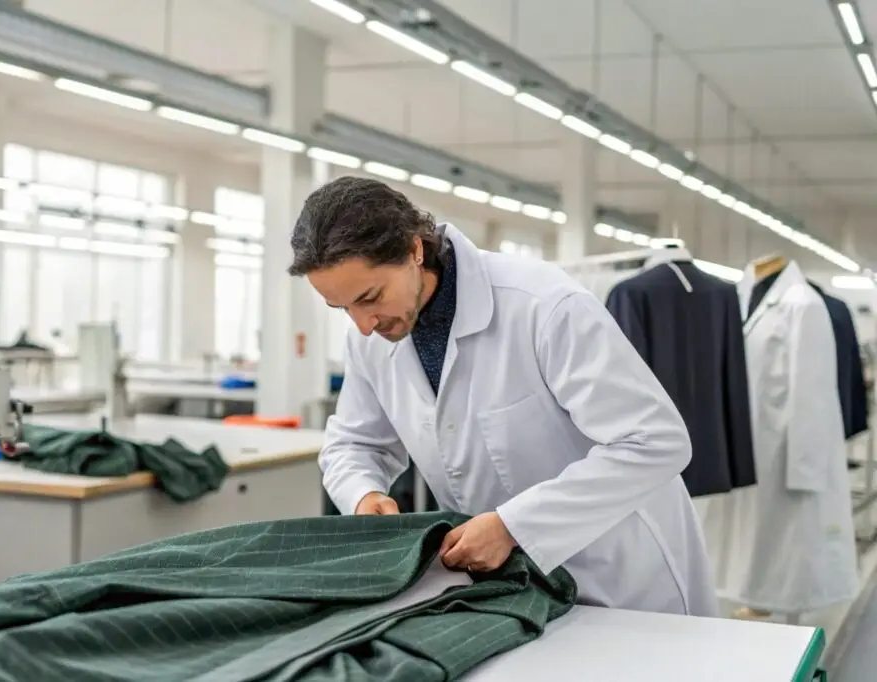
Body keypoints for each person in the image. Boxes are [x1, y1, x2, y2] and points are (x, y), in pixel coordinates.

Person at [287, 176, 718, 617]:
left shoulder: (543, 305)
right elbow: (354, 444)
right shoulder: (370, 338)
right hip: (509, 585)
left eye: (370, 297)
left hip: (621, 578)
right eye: (343, 308)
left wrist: (515, 526)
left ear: (414, 249)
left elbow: (656, 442)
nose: (363, 324)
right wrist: (364, 495)